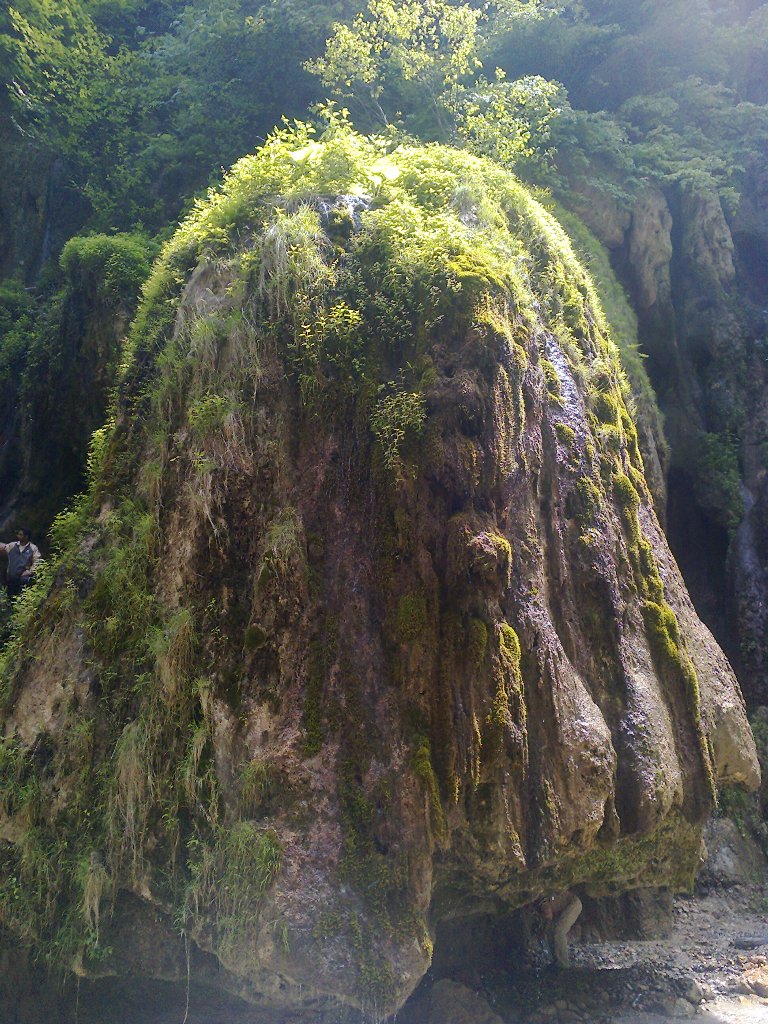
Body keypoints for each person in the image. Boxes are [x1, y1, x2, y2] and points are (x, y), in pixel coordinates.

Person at [538, 890, 582, 968]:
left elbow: (548, 914)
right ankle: (556, 961)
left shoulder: (543, 904)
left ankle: (563, 965)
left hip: (573, 905)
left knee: (559, 931)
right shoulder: (539, 901)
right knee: (549, 931)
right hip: (560, 910)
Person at [1, 528, 41, 601]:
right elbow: (4, 547)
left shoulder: (33, 548)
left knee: (21, 598)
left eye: (20, 534)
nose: (18, 536)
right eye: (18, 534)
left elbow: (37, 561)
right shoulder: (13, 545)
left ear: (26, 536)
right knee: (10, 599)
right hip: (11, 578)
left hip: (23, 579)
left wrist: (30, 571)